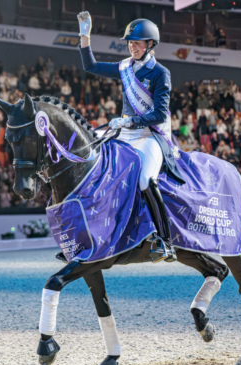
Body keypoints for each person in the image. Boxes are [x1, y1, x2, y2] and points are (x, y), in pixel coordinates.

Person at [77, 12, 181, 263]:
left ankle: (166, 242)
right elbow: (90, 66)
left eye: (137, 43)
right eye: (130, 43)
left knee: (146, 179)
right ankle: (86, 237)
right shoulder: (124, 67)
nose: (132, 47)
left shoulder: (160, 73)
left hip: (149, 134)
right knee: (92, 162)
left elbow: (158, 114)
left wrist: (129, 120)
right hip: (125, 132)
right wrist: (85, 37)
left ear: (150, 45)